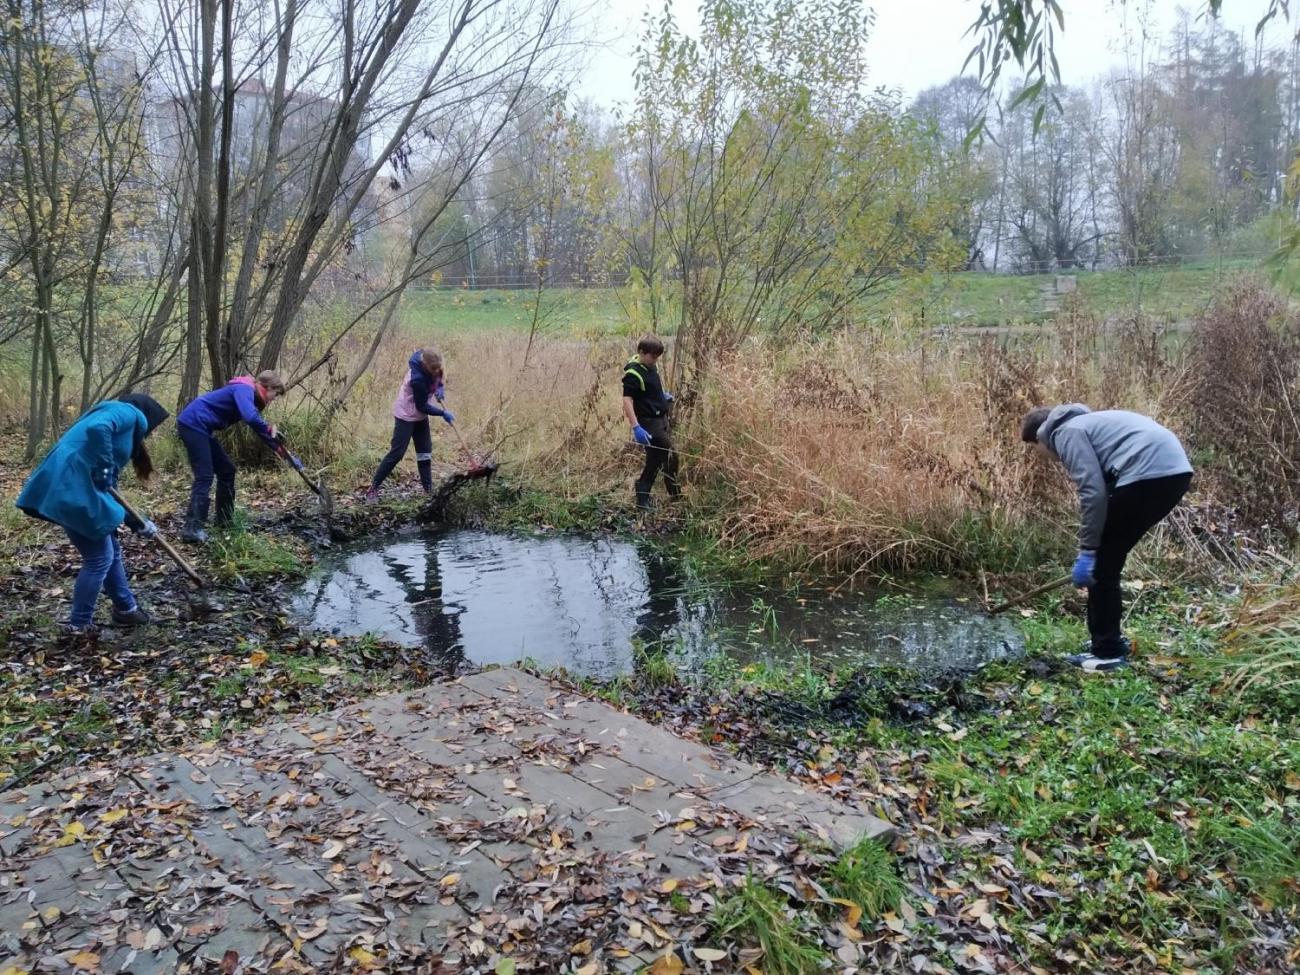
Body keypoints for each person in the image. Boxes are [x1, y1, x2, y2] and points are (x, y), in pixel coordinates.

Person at [1021, 404, 1193, 672]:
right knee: (1108, 560)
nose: (1040, 456)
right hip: (1174, 472)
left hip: (1150, 473)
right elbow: (1107, 489)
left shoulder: (1066, 432)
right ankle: (1108, 643)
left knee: (1102, 565)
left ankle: (1107, 653)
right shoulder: (1089, 424)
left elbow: (1093, 493)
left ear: (1039, 438)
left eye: (1034, 449)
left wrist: (1088, 550)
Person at [16, 393, 170, 634]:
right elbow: (98, 430)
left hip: (68, 485)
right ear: (148, 419)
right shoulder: (126, 412)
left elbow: (109, 488)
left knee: (109, 550)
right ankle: (79, 625)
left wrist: (136, 522)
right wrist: (106, 466)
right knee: (99, 558)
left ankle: (126, 609)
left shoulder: (112, 431)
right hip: (72, 487)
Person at [176, 370, 286, 542]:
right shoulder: (244, 389)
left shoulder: (248, 394)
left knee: (227, 471)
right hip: (193, 423)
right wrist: (268, 428)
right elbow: (250, 417)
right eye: (275, 394)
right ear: (267, 387)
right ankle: (192, 529)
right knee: (204, 476)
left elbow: (259, 427)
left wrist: (280, 450)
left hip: (201, 427)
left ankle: (224, 521)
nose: (274, 398)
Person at [367, 348, 454, 500]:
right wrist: (442, 413)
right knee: (397, 453)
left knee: (425, 453)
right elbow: (422, 406)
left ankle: (428, 491)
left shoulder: (434, 365)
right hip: (406, 415)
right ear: (425, 365)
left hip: (420, 417)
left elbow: (439, 378)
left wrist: (440, 388)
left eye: (438, 368)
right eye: (433, 369)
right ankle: (373, 487)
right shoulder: (417, 378)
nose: (436, 370)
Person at [622, 334, 679, 510]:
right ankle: (673, 495)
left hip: (660, 419)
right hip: (648, 423)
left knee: (656, 459)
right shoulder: (633, 374)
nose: (655, 360)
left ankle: (644, 497)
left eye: (657, 357)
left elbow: (650, 390)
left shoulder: (649, 367)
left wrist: (661, 397)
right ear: (641, 352)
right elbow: (627, 401)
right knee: (670, 455)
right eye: (652, 356)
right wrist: (636, 427)